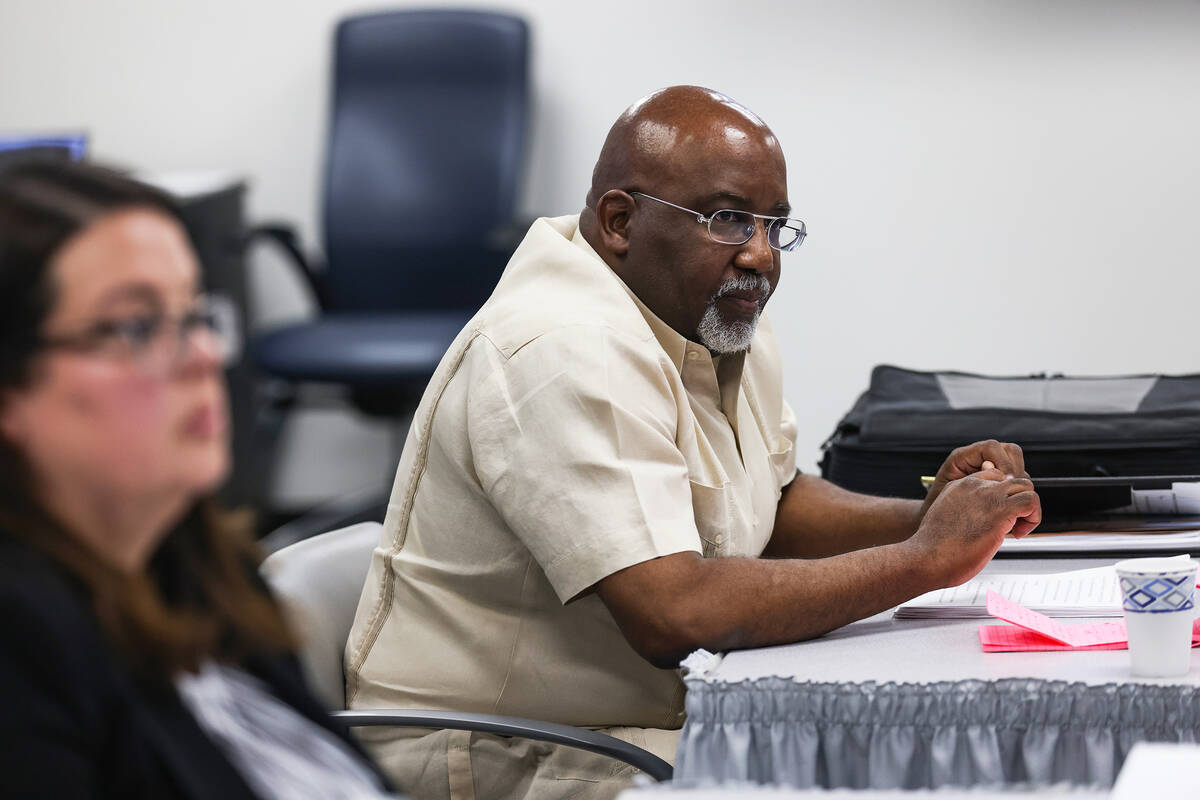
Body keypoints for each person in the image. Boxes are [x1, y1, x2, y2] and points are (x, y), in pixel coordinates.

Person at [345, 86, 1041, 800]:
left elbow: (772, 502)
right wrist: (923, 561)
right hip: (499, 750)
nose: (762, 257)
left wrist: (931, 517)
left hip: (635, 722)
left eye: (776, 225)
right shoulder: (561, 347)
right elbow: (673, 612)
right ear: (620, 221)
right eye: (730, 220)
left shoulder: (710, 314)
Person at [0, 161, 398, 799]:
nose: (205, 353)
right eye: (135, 325)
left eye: (192, 314)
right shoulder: (20, 648)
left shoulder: (201, 571)